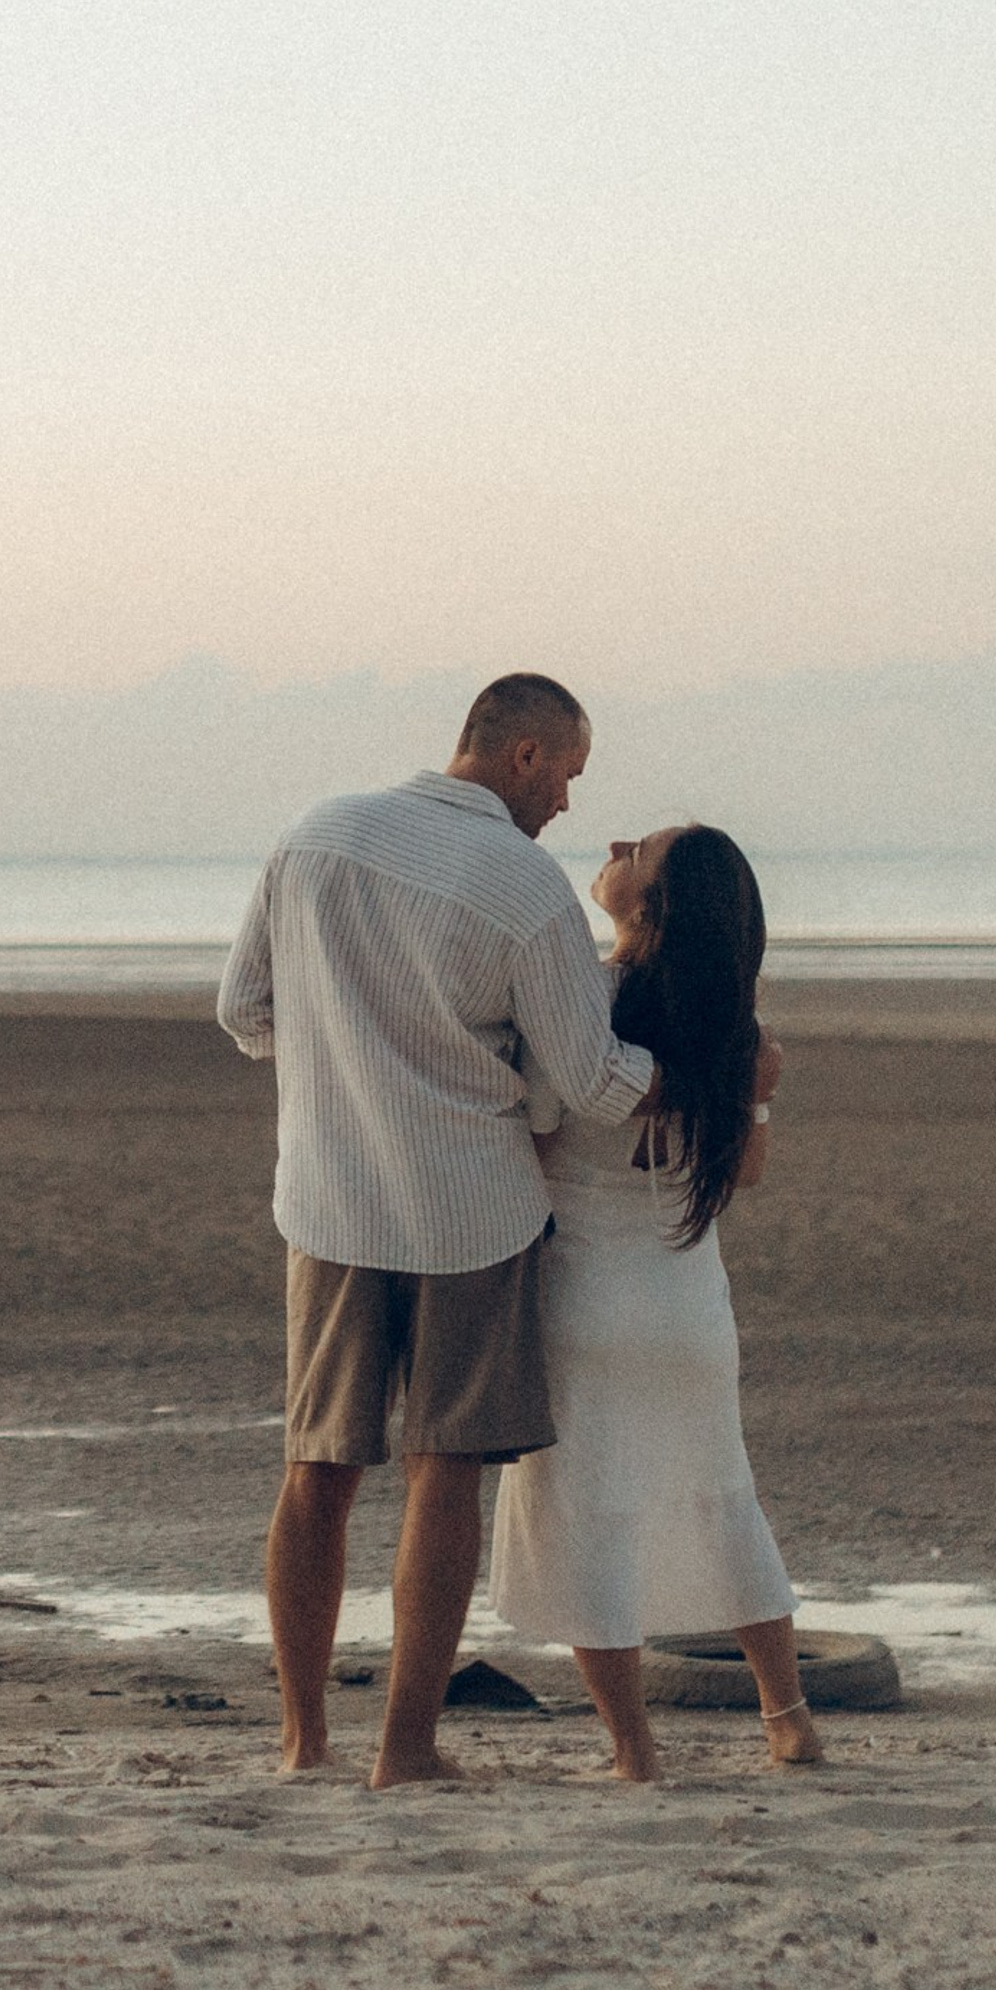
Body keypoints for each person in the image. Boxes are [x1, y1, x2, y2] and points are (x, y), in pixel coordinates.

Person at [218, 672, 652, 1787]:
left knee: (315, 1470)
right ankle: (405, 1747)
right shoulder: (524, 889)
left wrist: (343, 1066)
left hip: (329, 1201)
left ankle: (302, 1739)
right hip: (471, 1213)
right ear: (522, 755)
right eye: (565, 775)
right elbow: (594, 1084)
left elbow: (245, 1014)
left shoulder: (316, 837)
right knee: (442, 1474)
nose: (564, 804)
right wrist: (700, 1071)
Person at [489, 824, 815, 1780]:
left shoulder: (584, 1003)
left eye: (642, 849)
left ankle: (634, 1748)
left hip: (587, 1298)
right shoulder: (742, 1037)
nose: (618, 841)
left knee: (587, 1513)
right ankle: (788, 1716)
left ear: (649, 904)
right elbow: (745, 1172)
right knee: (725, 1501)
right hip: (689, 1306)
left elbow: (539, 1135)